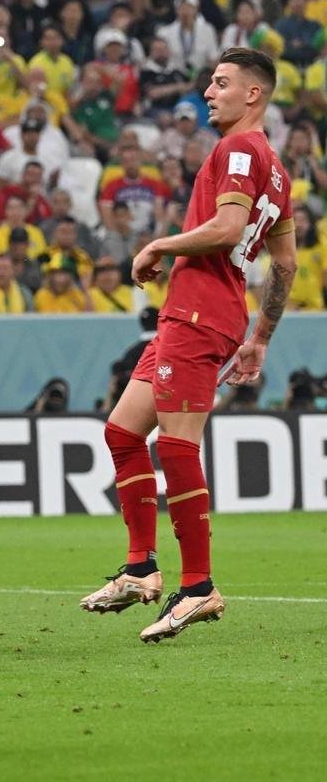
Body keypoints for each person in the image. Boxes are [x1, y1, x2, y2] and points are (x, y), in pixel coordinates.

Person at [82, 48, 296, 643]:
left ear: (253, 94)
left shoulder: (235, 151)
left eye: (222, 83)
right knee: (123, 432)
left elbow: (228, 230)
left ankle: (198, 586)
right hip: (204, 314)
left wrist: (159, 245)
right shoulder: (275, 168)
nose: (209, 92)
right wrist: (258, 339)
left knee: (177, 446)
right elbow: (286, 264)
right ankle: (140, 568)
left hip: (201, 312)